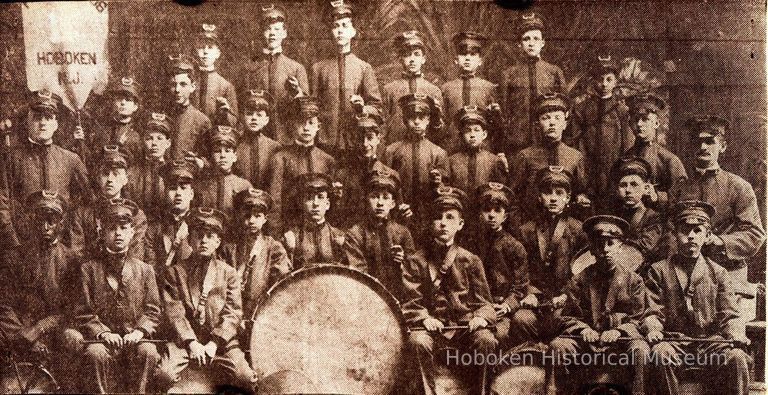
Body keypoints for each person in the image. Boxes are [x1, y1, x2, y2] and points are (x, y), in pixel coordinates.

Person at [643, 200, 751, 395]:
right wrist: (654, 329)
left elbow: (730, 314)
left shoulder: (718, 273)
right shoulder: (658, 270)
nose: (691, 236)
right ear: (675, 234)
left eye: (697, 230)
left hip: (710, 343)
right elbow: (651, 310)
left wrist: (736, 332)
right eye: (684, 230)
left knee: (736, 357)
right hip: (675, 342)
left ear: (707, 235)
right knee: (660, 354)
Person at [401, 185, 497, 395]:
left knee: (486, 340)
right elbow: (410, 302)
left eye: (450, 217)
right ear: (430, 223)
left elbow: (485, 303)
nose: (443, 223)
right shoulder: (416, 260)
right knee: (417, 341)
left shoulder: (471, 260)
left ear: (460, 224)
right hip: (432, 331)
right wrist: (424, 318)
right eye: (438, 217)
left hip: (464, 330)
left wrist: (480, 318)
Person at [157, 207, 257, 392]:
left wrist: (214, 343)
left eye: (210, 236)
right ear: (189, 240)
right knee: (164, 375)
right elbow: (175, 313)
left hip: (221, 344)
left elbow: (233, 313)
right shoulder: (174, 272)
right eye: (198, 235)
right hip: (185, 343)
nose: (204, 240)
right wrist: (192, 343)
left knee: (246, 378)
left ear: (218, 241)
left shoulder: (228, 273)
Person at [549, 215, 650, 395]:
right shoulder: (579, 279)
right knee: (559, 345)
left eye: (610, 243)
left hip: (620, 341)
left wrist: (619, 331)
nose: (605, 250)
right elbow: (565, 316)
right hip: (587, 341)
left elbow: (639, 317)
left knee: (640, 349)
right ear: (592, 250)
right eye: (599, 244)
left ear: (620, 246)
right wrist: (582, 329)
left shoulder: (634, 281)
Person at [71, 199, 161, 393]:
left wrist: (139, 332)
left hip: (134, 339)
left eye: (123, 227)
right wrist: (103, 333)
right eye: (112, 228)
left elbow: (153, 310)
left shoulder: (145, 270)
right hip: (102, 341)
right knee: (95, 354)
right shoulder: (88, 269)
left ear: (131, 232)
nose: (118, 233)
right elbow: (82, 312)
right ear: (102, 232)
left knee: (149, 351)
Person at [0, 191, 80, 386]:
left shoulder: (72, 260)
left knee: (73, 338)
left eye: (51, 221)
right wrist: (23, 335)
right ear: (31, 222)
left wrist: (39, 328)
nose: (45, 227)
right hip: (18, 330)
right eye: (39, 220)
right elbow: (4, 304)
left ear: (61, 223)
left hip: (54, 330)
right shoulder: (14, 257)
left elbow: (71, 309)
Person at [510, 166, 587, 346]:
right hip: (536, 300)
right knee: (521, 319)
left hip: (566, 300)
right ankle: (528, 364)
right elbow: (521, 270)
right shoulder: (526, 230)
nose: (553, 198)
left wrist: (567, 295)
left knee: (561, 322)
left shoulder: (578, 230)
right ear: (539, 197)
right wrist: (530, 294)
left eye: (559, 193)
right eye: (547, 192)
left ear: (568, 198)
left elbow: (583, 271)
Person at [310, 0, 381, 153]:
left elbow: (376, 107)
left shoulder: (364, 68)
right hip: (324, 142)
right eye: (336, 26)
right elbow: (313, 106)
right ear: (331, 32)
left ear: (353, 31)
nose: (340, 31)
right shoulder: (319, 68)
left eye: (345, 26)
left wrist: (363, 108)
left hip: (355, 142)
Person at [509, 92, 589, 222]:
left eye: (557, 118)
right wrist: (520, 229)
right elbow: (512, 198)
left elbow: (581, 192)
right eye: (546, 118)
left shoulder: (575, 156)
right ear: (537, 124)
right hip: (532, 227)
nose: (552, 123)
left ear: (565, 124)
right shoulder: (525, 156)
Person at [567, 55, 633, 211]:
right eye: (600, 79)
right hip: (588, 169)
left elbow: (628, 144)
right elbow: (574, 142)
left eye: (609, 79)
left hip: (613, 170)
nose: (604, 84)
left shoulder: (621, 110)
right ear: (593, 81)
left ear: (615, 81)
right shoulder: (581, 109)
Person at [343, 169, 415, 301]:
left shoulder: (403, 233)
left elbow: (414, 276)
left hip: (400, 300)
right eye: (375, 196)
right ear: (366, 199)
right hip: (367, 299)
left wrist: (401, 264)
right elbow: (358, 275)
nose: (380, 203)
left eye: (385, 197)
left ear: (393, 204)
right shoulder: (355, 233)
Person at [471, 182, 528, 348]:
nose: (491, 215)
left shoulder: (514, 246)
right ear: (479, 213)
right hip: (474, 307)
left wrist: (507, 305)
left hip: (500, 309)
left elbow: (520, 286)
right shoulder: (470, 244)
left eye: (497, 210)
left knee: (500, 336)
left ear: (505, 216)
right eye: (486, 210)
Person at [242, 4, 308, 144]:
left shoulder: (296, 68)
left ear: (284, 33)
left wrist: (298, 93)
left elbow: (307, 110)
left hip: (287, 137)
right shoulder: (249, 68)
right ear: (261, 33)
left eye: (277, 29)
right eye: (268, 29)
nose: (272, 33)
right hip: (257, 137)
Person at [224, 188, 291, 325]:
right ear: (240, 216)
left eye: (257, 216)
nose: (252, 221)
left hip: (263, 317)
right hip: (232, 315)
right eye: (247, 216)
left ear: (265, 219)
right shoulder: (229, 249)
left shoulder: (274, 248)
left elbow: (282, 287)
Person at [501, 12, 566, 154]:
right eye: (526, 39)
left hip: (547, 141)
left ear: (543, 43)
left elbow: (564, 110)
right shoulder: (509, 74)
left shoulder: (554, 72)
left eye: (536, 38)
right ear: (519, 44)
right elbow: (504, 113)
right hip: (518, 142)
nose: (531, 43)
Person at [383, 93, 447, 235]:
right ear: (405, 120)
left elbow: (445, 188)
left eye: (421, 117)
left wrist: (438, 182)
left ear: (428, 119)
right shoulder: (392, 151)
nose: (417, 122)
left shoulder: (438, 153)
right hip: (398, 213)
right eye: (412, 117)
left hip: (427, 216)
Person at [268, 96, 335, 232]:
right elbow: (275, 201)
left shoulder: (327, 160)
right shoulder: (280, 158)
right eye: (301, 122)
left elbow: (331, 203)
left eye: (311, 123)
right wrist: (279, 234)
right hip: (290, 231)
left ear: (318, 126)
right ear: (293, 124)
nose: (306, 128)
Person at [71, 145, 148, 261]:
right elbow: (77, 255)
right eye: (105, 173)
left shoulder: (136, 215)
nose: (110, 179)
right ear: (97, 177)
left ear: (125, 179)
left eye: (116, 174)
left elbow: (135, 259)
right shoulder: (82, 214)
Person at [332, 107, 400, 228]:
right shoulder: (342, 175)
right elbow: (335, 215)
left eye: (370, 138)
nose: (364, 144)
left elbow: (396, 216)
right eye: (360, 138)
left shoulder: (391, 175)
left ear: (378, 138)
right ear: (353, 140)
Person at [622, 93, 686, 211]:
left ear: (656, 123)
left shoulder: (670, 160)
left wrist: (657, 197)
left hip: (658, 221)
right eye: (636, 120)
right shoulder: (625, 159)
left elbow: (682, 199)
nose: (639, 124)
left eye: (645, 119)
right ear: (630, 124)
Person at [441, 32, 500, 152]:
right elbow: (442, 122)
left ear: (480, 61)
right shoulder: (446, 88)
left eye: (473, 54)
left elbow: (495, 124)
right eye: (463, 54)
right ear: (456, 60)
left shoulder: (488, 88)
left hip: (481, 147)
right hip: (453, 148)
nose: (467, 58)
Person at [381, 30, 443, 146]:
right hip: (396, 150)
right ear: (400, 59)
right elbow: (382, 126)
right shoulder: (389, 89)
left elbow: (439, 131)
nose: (412, 59)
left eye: (416, 54)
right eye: (407, 54)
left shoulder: (433, 91)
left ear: (423, 59)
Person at [282, 173, 346, 269]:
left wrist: (343, 248)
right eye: (309, 198)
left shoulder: (338, 236)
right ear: (301, 203)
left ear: (327, 204)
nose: (315, 203)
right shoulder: (292, 237)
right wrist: (290, 250)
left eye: (320, 197)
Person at [143, 159, 197, 268]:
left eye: (183, 188)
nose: (178, 193)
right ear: (165, 193)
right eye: (173, 188)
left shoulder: (198, 227)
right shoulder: (155, 229)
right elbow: (150, 267)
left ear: (191, 194)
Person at [611, 157, 664, 264]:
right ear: (617, 190)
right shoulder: (615, 215)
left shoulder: (653, 217)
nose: (628, 190)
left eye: (634, 185)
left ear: (645, 189)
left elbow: (645, 247)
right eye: (623, 185)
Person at [193, 125, 252, 220]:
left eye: (228, 151)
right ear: (211, 155)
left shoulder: (244, 186)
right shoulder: (201, 184)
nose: (223, 155)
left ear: (235, 156)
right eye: (217, 151)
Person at [127, 112, 173, 220]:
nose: (154, 143)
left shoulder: (173, 172)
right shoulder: (132, 173)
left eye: (159, 138)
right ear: (143, 141)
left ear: (168, 143)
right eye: (149, 138)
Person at [90, 77, 144, 166]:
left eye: (128, 100)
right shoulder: (101, 129)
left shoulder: (139, 132)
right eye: (119, 99)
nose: (123, 103)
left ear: (135, 106)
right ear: (113, 102)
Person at [233, 90, 282, 189]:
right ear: (242, 117)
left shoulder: (275, 147)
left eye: (259, 115)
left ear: (266, 120)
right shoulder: (234, 144)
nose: (254, 118)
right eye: (249, 114)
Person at [167, 54, 212, 160]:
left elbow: (208, 159)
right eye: (173, 84)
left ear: (192, 87)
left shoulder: (202, 121)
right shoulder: (163, 115)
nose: (177, 90)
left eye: (183, 84)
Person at [193, 23, 238, 126]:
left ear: (218, 53)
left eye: (210, 47)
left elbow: (234, 121)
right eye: (201, 47)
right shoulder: (188, 80)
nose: (205, 52)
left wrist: (225, 113)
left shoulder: (225, 86)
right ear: (195, 50)